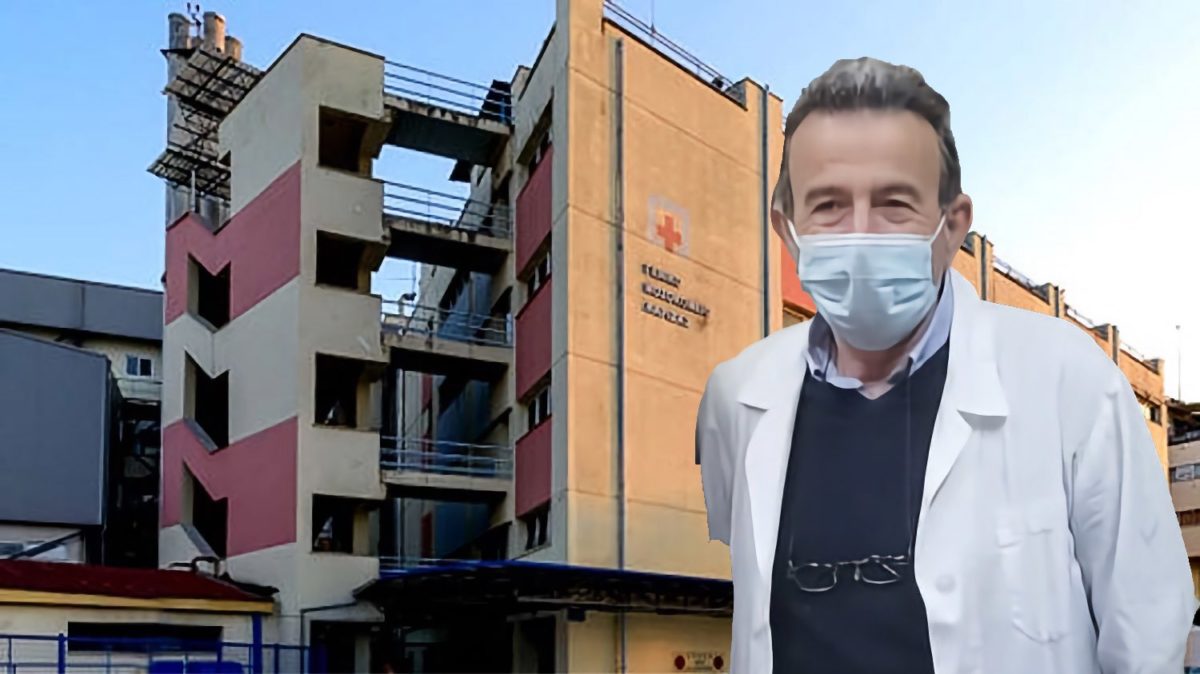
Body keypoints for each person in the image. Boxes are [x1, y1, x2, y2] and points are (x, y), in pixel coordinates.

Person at [696, 57, 1196, 673]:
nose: (862, 235)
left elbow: (1147, 624)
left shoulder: (1067, 380)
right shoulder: (737, 397)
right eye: (828, 205)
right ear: (786, 226)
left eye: (894, 204)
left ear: (953, 224)